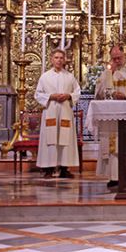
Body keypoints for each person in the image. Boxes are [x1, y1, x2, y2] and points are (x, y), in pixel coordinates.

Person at [94, 45, 126, 187]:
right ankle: (113, 176)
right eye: (114, 58)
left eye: (119, 58)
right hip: (110, 115)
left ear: (125, 56)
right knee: (111, 144)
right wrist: (109, 74)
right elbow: (98, 93)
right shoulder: (107, 72)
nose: (116, 61)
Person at [34, 49, 81, 178]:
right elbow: (38, 94)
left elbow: (77, 92)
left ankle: (64, 168)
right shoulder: (45, 77)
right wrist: (51, 96)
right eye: (56, 57)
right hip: (51, 110)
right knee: (50, 138)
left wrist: (69, 95)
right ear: (51, 59)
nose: (59, 60)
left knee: (65, 139)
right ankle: (48, 168)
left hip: (65, 109)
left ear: (64, 60)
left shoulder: (69, 76)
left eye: (61, 57)